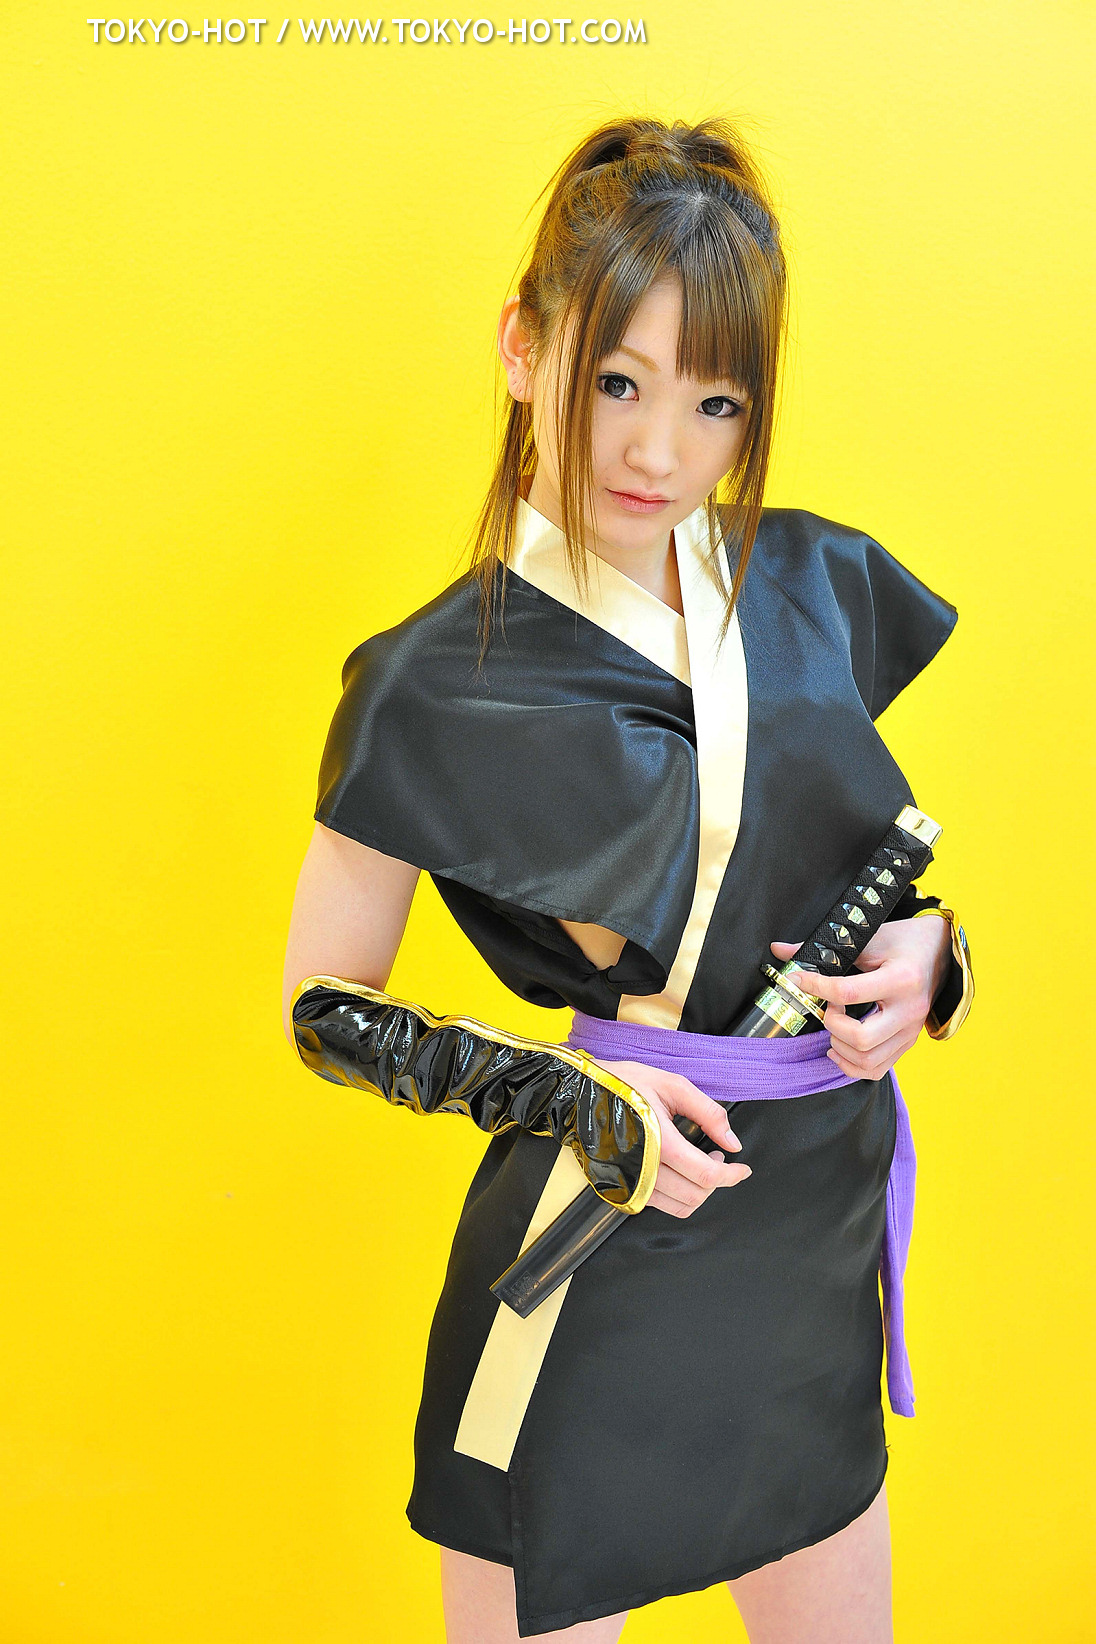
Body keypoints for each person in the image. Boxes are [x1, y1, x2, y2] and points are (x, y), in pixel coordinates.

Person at [281, 115, 974, 1643]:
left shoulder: (811, 582)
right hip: (591, 1241)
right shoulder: (425, 685)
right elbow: (323, 1009)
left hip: (806, 1244)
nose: (661, 451)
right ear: (525, 349)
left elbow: (859, 863)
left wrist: (934, 961)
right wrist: (569, 1100)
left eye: (715, 402)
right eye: (617, 382)